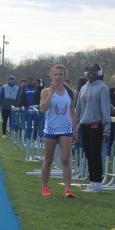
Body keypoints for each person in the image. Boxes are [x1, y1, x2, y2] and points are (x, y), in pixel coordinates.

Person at [39, 65, 77, 198]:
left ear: (65, 76)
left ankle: (68, 188)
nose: (58, 77)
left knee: (65, 159)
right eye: (55, 74)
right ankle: (45, 187)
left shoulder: (70, 92)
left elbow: (72, 112)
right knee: (48, 159)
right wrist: (51, 93)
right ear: (52, 76)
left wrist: (75, 131)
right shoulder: (45, 91)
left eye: (61, 74)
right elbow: (43, 109)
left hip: (65, 129)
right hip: (51, 129)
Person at [75, 63, 111, 193]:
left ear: (99, 72)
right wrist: (77, 126)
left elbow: (105, 108)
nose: (91, 72)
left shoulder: (103, 88)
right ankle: (92, 181)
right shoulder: (83, 88)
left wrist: (106, 129)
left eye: (94, 70)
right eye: (89, 70)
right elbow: (78, 108)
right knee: (88, 154)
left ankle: (98, 183)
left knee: (96, 154)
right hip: (84, 125)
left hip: (96, 125)